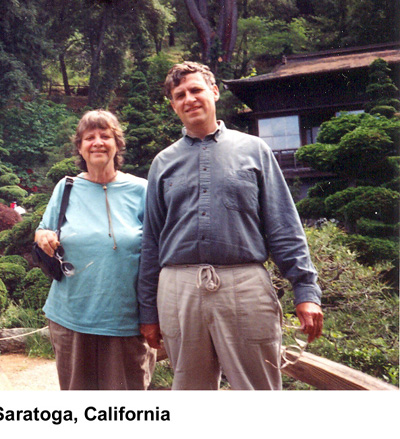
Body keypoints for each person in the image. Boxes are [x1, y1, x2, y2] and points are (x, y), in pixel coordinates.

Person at [137, 61, 324, 390]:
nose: (189, 98)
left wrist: (305, 291)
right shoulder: (162, 162)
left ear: (214, 91)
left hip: (245, 284)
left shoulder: (255, 150)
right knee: (191, 393)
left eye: (196, 90)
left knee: (258, 390)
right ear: (173, 105)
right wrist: (147, 310)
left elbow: (283, 226)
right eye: (180, 95)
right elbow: (151, 241)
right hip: (178, 289)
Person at [35, 109, 157, 390]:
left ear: (118, 144)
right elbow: (44, 228)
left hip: (126, 321)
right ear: (80, 147)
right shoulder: (66, 188)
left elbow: (157, 251)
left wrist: (153, 314)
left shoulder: (142, 190)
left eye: (106, 136)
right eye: (89, 137)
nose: (98, 142)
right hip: (72, 316)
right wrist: (42, 236)